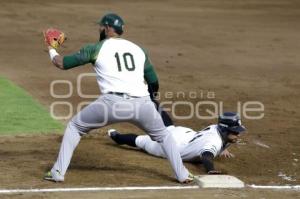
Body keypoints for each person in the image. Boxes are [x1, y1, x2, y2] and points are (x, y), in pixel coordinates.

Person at [43, 13, 193, 183]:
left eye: (101, 26)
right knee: (165, 136)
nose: (99, 29)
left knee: (75, 127)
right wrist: (151, 101)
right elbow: (153, 82)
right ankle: (183, 175)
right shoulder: (138, 49)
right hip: (143, 103)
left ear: (107, 28)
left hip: (112, 104)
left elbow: (61, 63)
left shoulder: (95, 48)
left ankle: (57, 172)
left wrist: (51, 48)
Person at [108, 112, 246, 174]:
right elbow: (207, 156)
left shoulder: (218, 130)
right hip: (169, 146)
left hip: (183, 134)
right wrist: (210, 169)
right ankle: (116, 136)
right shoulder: (214, 141)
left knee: (168, 125)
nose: (238, 134)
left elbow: (214, 143)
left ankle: (150, 101)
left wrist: (222, 148)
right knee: (141, 141)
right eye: (235, 131)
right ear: (223, 130)